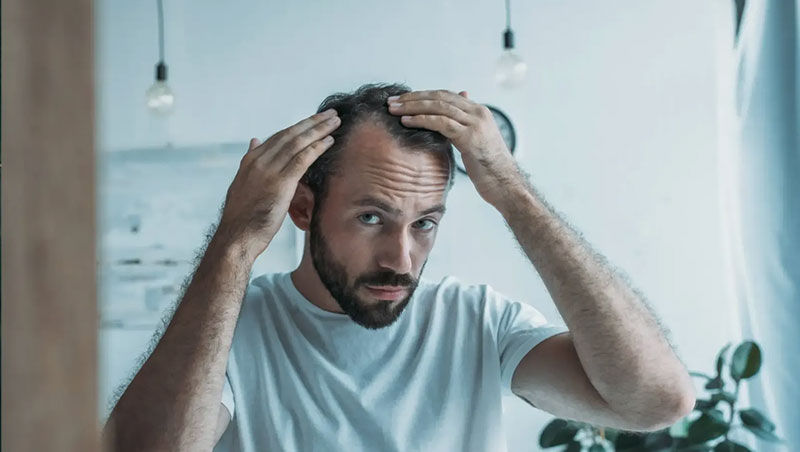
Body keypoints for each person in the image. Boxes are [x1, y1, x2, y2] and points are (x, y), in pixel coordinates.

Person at [104, 83, 695, 452]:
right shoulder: (232, 330)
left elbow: (655, 402)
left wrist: (513, 193)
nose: (401, 259)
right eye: (371, 218)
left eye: (425, 223)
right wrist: (234, 243)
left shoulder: (477, 321)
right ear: (303, 209)